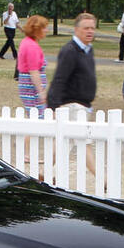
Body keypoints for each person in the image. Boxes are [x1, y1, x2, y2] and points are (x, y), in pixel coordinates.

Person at [48, 12, 98, 176]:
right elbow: (59, 79)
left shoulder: (88, 50)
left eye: (92, 28)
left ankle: (42, 172)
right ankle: (102, 179)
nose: (90, 31)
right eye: (86, 28)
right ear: (76, 30)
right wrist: (53, 106)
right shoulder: (70, 51)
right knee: (83, 142)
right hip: (72, 105)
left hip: (83, 105)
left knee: (63, 142)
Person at [16, 15, 50, 117]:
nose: (47, 31)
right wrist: (41, 92)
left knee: (34, 117)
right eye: (44, 28)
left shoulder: (26, 42)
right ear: (36, 29)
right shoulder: (31, 46)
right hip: (32, 90)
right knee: (38, 117)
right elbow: (34, 71)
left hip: (28, 87)